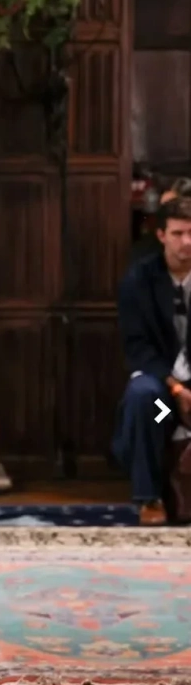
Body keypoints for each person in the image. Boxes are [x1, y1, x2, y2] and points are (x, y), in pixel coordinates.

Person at [113, 185, 191, 524]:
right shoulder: (140, 280)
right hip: (167, 400)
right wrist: (176, 389)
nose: (186, 242)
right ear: (161, 235)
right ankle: (150, 498)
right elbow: (138, 347)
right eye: (178, 234)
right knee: (145, 401)